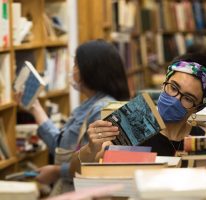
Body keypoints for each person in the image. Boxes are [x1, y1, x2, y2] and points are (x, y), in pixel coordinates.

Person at [69, 52, 206, 174]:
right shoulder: (135, 120)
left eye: (188, 98)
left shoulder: (200, 140)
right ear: (164, 84)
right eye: (173, 87)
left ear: (198, 107)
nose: (175, 99)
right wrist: (91, 149)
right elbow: (74, 170)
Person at [22, 40, 130, 193]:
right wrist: (35, 107)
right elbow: (62, 147)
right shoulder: (89, 105)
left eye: (75, 64)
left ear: (89, 70)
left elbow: (91, 163)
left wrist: (57, 171)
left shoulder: (101, 109)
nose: (72, 70)